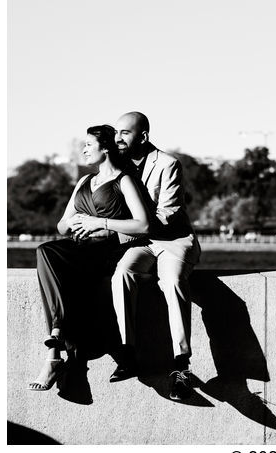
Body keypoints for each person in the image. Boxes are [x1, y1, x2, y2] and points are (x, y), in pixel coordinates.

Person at [28, 125, 150, 391]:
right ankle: (56, 342)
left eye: (88, 145)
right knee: (45, 252)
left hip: (105, 252)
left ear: (105, 148)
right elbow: (61, 226)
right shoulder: (84, 182)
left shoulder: (124, 180)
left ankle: (55, 350)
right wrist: (75, 222)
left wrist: (100, 222)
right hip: (78, 248)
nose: (83, 150)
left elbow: (143, 225)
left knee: (49, 256)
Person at [110, 111, 201, 402]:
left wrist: (121, 232)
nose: (118, 138)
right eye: (116, 132)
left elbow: (169, 213)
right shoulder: (117, 165)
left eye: (125, 133)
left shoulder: (168, 163)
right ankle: (127, 353)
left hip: (173, 240)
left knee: (172, 280)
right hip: (142, 243)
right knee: (123, 274)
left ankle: (181, 366)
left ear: (143, 136)